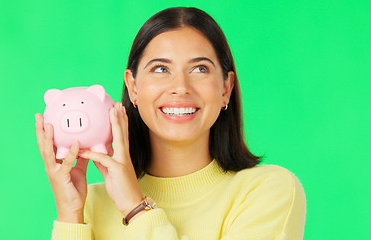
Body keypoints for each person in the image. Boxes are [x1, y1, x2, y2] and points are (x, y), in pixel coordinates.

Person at [35, 7, 306, 240]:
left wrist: (135, 207)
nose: (180, 87)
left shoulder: (268, 191)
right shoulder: (91, 204)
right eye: (161, 69)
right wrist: (70, 213)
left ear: (226, 88)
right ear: (133, 88)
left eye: (200, 69)